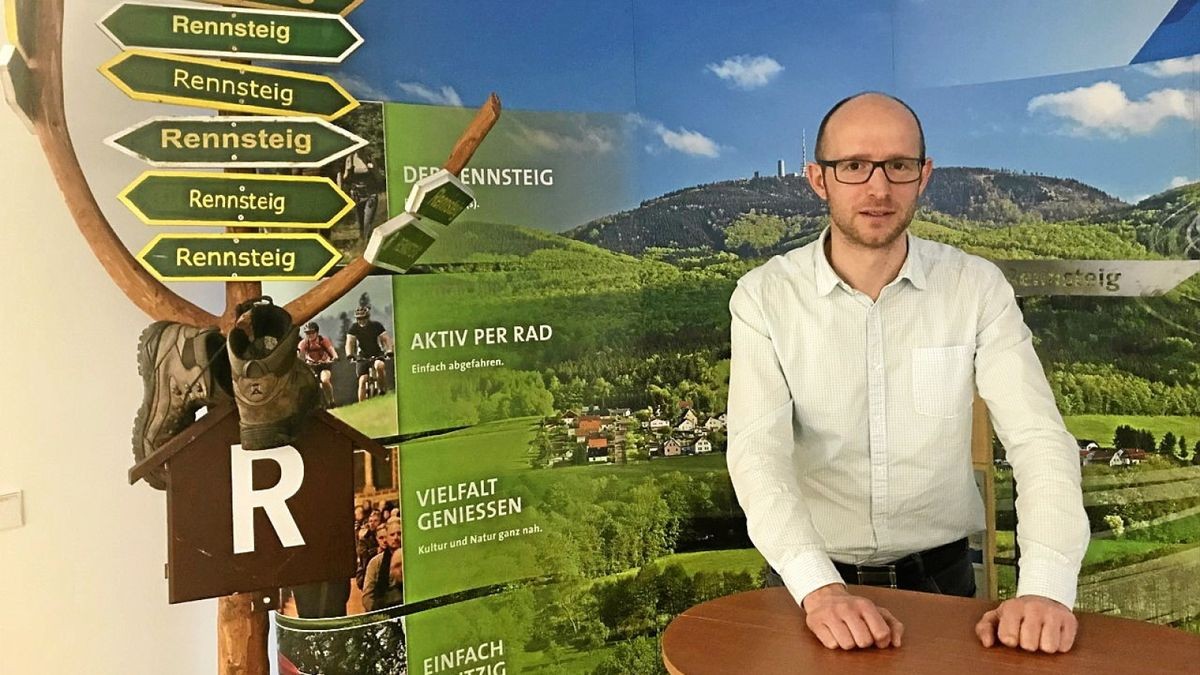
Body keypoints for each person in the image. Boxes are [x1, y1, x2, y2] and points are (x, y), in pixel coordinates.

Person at [726, 92, 1088, 654]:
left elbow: (1038, 439)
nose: (878, 188)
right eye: (853, 166)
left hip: (944, 580)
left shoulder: (976, 287)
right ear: (818, 179)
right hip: (808, 586)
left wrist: (1045, 590)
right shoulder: (764, 296)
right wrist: (819, 589)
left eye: (898, 166)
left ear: (924, 175)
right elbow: (756, 454)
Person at [345, 305, 393, 402]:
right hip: (362, 355)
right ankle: (361, 404)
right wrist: (349, 354)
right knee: (362, 380)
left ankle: (382, 389)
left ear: (368, 317)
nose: (361, 321)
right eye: (359, 319)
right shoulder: (354, 328)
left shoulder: (376, 325)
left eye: (363, 318)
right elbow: (349, 342)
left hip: (377, 352)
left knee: (379, 366)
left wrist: (389, 351)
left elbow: (386, 339)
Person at [361, 518, 404, 611]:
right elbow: (367, 596)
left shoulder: (411, 558)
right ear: (387, 537)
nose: (396, 537)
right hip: (382, 609)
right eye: (392, 534)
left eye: (399, 534)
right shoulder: (375, 562)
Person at [298, 321, 338, 407]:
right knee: (310, 385)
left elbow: (331, 350)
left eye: (312, 332)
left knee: (325, 380)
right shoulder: (304, 343)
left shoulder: (323, 341)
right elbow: (300, 355)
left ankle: (331, 401)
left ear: (317, 332)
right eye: (307, 333)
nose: (310, 335)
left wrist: (335, 357)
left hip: (324, 365)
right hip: (311, 366)